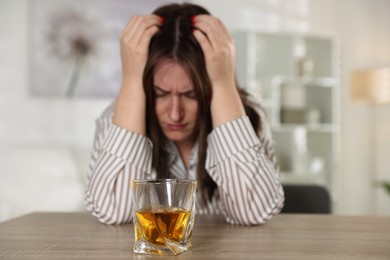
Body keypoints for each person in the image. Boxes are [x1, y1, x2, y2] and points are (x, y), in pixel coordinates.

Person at [84, 2, 284, 226]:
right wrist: (131, 80)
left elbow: (254, 212)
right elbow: (112, 212)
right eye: (160, 93)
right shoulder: (114, 117)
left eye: (191, 95)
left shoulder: (249, 115)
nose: (175, 114)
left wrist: (222, 82)